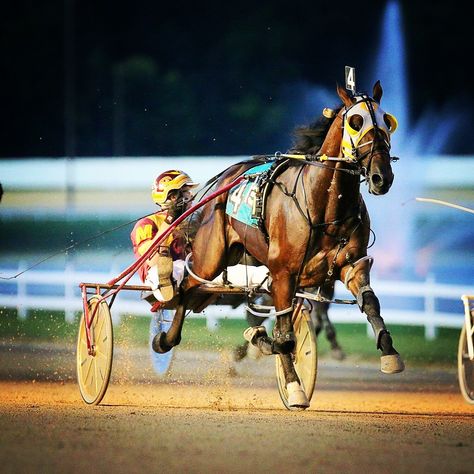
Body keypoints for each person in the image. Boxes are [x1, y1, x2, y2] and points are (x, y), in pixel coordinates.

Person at [130, 170, 199, 307]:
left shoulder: (193, 222)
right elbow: (151, 260)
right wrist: (169, 221)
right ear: (173, 197)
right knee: (172, 268)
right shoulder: (146, 223)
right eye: (185, 192)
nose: (191, 196)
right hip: (159, 274)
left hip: (192, 272)